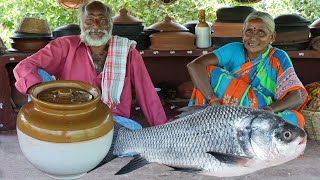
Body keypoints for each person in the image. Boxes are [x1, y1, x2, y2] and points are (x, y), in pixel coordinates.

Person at [13, 0, 167, 127]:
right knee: (37, 75)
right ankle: (53, 128)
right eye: (89, 20)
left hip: (108, 119)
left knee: (134, 130)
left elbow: (146, 92)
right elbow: (23, 67)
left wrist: (162, 126)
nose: (96, 26)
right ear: (81, 24)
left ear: (110, 25)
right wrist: (44, 98)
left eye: (102, 20)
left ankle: (83, 140)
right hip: (69, 115)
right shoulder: (64, 46)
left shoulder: (127, 52)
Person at [187, 11, 308, 128]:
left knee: (295, 119)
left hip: (262, 111)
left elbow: (297, 96)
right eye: (248, 32)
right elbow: (195, 65)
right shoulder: (234, 49)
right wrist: (212, 99)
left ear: (272, 36)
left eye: (261, 33)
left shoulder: (278, 57)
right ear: (242, 34)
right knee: (210, 71)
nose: (253, 38)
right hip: (227, 111)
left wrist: (268, 110)